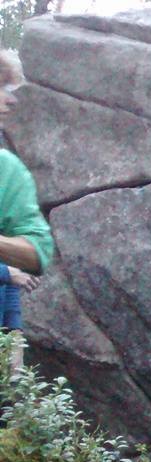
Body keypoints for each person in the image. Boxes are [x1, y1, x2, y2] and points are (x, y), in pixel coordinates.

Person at [0, 52, 54, 375]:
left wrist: (15, 333)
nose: (11, 100)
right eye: (1, 87)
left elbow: (36, 252)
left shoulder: (7, 171)